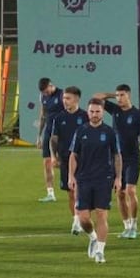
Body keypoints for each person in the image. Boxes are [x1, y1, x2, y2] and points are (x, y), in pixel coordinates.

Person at [93, 84, 140, 239]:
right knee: (120, 193)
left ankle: (134, 225)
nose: (119, 98)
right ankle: (126, 226)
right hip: (117, 158)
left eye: (122, 95)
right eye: (117, 95)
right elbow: (97, 97)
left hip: (132, 158)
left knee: (131, 191)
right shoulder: (115, 110)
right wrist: (113, 95)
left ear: (129, 95)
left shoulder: (138, 115)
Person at [68, 98, 122, 264]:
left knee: (101, 215)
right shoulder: (81, 131)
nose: (94, 114)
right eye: (91, 111)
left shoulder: (110, 132)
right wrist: (71, 175)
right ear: (88, 112)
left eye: (98, 112)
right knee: (84, 218)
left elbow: (117, 156)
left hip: (104, 179)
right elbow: (73, 155)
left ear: (102, 113)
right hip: (84, 179)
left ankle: (100, 251)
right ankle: (92, 237)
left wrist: (118, 177)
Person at [49, 86, 89, 235]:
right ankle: (76, 219)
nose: (65, 101)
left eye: (68, 98)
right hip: (66, 160)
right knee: (71, 192)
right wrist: (53, 156)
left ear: (77, 99)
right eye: (64, 98)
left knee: (81, 191)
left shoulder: (85, 116)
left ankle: (80, 220)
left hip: (84, 160)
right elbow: (53, 139)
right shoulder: (59, 118)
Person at [37, 77, 65, 203]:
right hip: (48, 132)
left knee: (63, 162)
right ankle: (50, 193)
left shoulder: (62, 95)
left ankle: (79, 184)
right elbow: (43, 115)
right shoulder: (42, 97)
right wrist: (39, 135)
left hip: (61, 133)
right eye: (43, 92)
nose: (45, 94)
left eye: (46, 91)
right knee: (47, 163)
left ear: (51, 85)